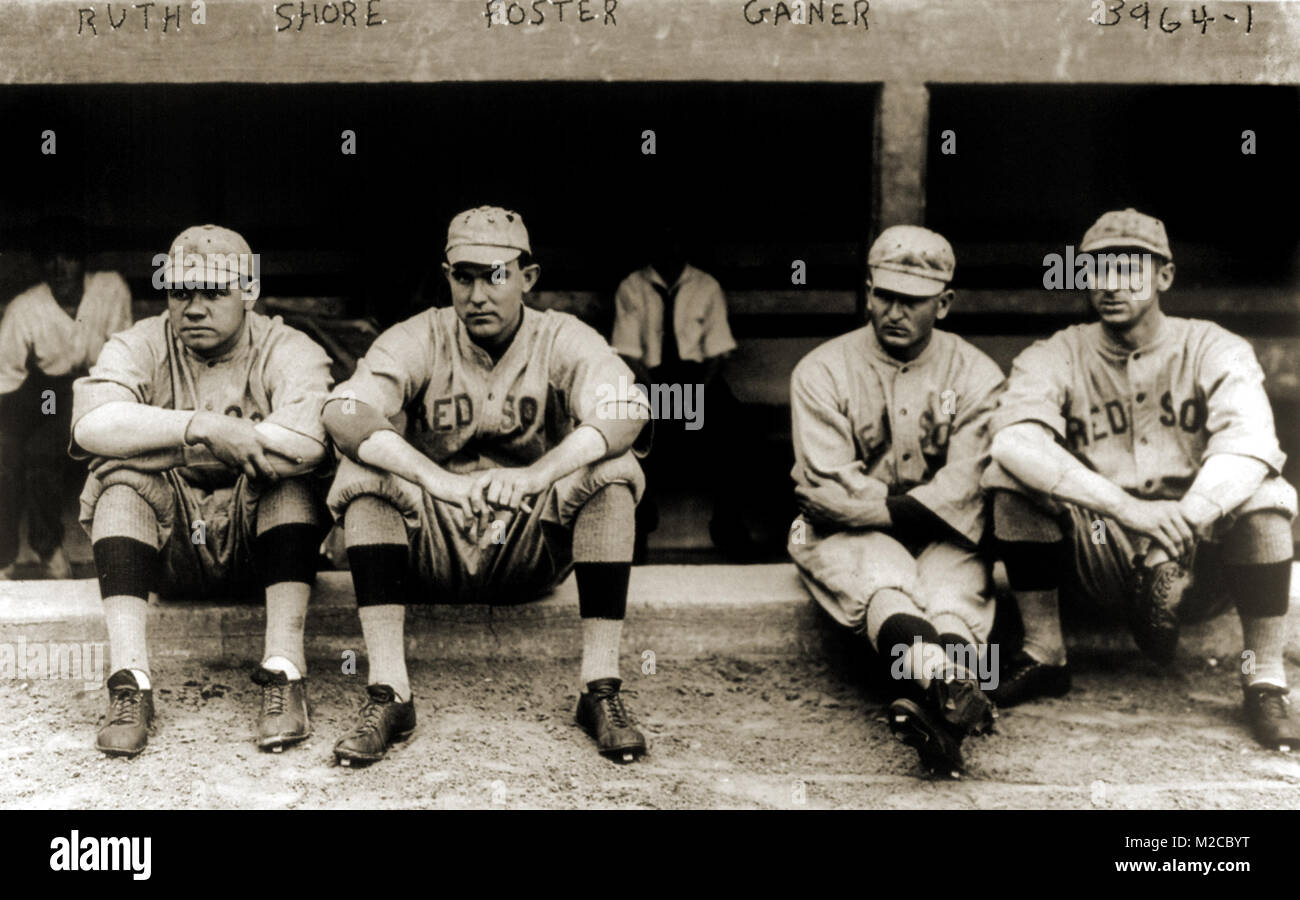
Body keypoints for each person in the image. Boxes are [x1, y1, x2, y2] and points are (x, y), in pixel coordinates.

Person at [322, 206, 652, 766]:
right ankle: (389, 692)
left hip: (528, 540)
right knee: (362, 474)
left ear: (528, 278)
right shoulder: (419, 335)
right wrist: (436, 481)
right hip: (434, 544)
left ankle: (601, 688)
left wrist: (537, 475)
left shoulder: (562, 337)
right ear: (447, 275)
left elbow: (626, 412)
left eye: (496, 275)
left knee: (615, 472)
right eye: (464, 276)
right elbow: (343, 411)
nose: (478, 293)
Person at [984, 208, 1298, 751]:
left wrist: (1182, 521)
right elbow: (1014, 441)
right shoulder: (1058, 352)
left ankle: (1264, 678)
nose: (1109, 286)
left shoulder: (1215, 346)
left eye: (1129, 270)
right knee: (1009, 480)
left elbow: (1250, 446)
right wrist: (1130, 513)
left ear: (1164, 277)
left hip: (1199, 551)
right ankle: (1044, 654)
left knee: (1269, 497)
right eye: (1096, 271)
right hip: (1102, 545)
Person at [70, 225, 334, 758]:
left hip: (259, 547)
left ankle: (284, 672)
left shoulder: (288, 346)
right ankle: (130, 683)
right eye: (180, 291)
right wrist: (204, 427)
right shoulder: (139, 342)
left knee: (288, 479)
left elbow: (307, 442)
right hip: (171, 551)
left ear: (249, 292)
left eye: (214, 291)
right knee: (118, 479)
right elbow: (90, 426)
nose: (193, 307)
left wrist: (158, 441)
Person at [787, 225, 1005, 777]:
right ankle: (949, 693)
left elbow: (966, 487)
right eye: (884, 294)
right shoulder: (821, 369)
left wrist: (872, 506)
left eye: (913, 300)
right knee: (881, 578)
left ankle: (935, 701)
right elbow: (829, 488)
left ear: (945, 303)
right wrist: (891, 509)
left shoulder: (976, 373)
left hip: (944, 530)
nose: (894, 311)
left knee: (952, 593)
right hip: (847, 534)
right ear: (867, 291)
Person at [612, 223, 758, 561]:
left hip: (697, 381)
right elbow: (630, 356)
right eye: (662, 239)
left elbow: (717, 354)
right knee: (626, 428)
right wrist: (659, 401)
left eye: (677, 239)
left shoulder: (706, 286)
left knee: (738, 428)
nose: (670, 248)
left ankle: (727, 523)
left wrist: (696, 399)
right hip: (648, 380)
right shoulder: (632, 287)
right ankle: (637, 526)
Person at [0, 217, 131, 579]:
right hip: (44, 392)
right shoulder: (26, 307)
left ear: (83, 261)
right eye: (50, 259)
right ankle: (3, 558)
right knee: (5, 452)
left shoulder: (109, 289)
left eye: (69, 257)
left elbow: (122, 353)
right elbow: (5, 378)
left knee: (42, 450)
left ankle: (47, 546)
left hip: (99, 387)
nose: (59, 267)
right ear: (41, 265)